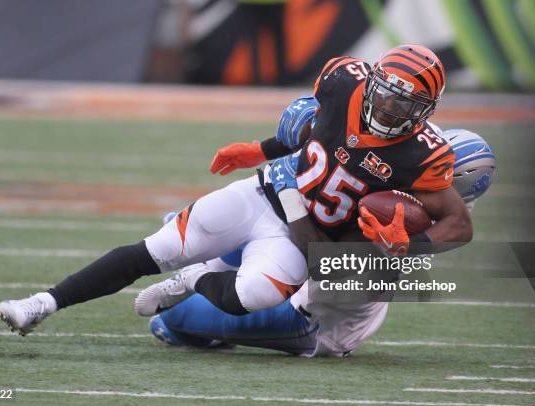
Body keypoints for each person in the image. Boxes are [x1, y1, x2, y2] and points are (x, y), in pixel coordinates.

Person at [0, 44, 472, 336]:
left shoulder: (424, 155)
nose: (389, 109)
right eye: (385, 93)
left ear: (426, 110)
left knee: (252, 297)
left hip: (303, 234)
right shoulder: (343, 79)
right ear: (371, 82)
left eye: (404, 103)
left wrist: (413, 247)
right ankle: (41, 303)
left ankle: (193, 279)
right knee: (156, 248)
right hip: (268, 191)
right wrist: (260, 149)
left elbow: (460, 223)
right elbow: (315, 129)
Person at [147, 129, 496, 357]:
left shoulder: (398, 222)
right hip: (322, 284)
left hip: (311, 323)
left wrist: (289, 196)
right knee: (266, 219)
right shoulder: (437, 208)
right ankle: (211, 257)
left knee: (172, 318)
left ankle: (197, 311)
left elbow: (318, 257)